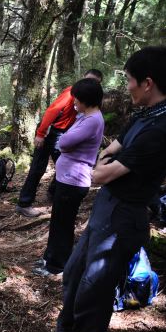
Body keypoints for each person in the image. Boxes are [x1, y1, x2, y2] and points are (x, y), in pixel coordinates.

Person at [36, 46, 166, 332]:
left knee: (95, 287)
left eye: (129, 80)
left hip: (125, 216)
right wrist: (105, 164)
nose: (127, 87)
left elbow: (101, 172)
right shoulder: (144, 116)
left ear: (148, 83)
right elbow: (110, 152)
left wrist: (104, 166)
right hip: (107, 207)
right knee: (76, 272)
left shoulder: (160, 130)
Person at [32, 78, 105, 277]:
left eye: (77, 100)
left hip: (74, 180)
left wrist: (63, 140)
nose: (74, 103)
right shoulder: (84, 117)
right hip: (67, 178)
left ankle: (57, 266)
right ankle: (50, 258)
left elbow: (65, 141)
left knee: (63, 225)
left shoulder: (92, 120)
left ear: (86, 100)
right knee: (58, 221)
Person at [16, 69, 104, 217]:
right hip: (51, 131)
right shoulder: (71, 92)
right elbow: (52, 111)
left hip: (63, 133)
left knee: (65, 164)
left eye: (95, 83)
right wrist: (40, 134)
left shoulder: (89, 102)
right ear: (83, 78)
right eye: (89, 80)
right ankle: (24, 203)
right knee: (39, 167)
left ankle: (53, 193)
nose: (90, 84)